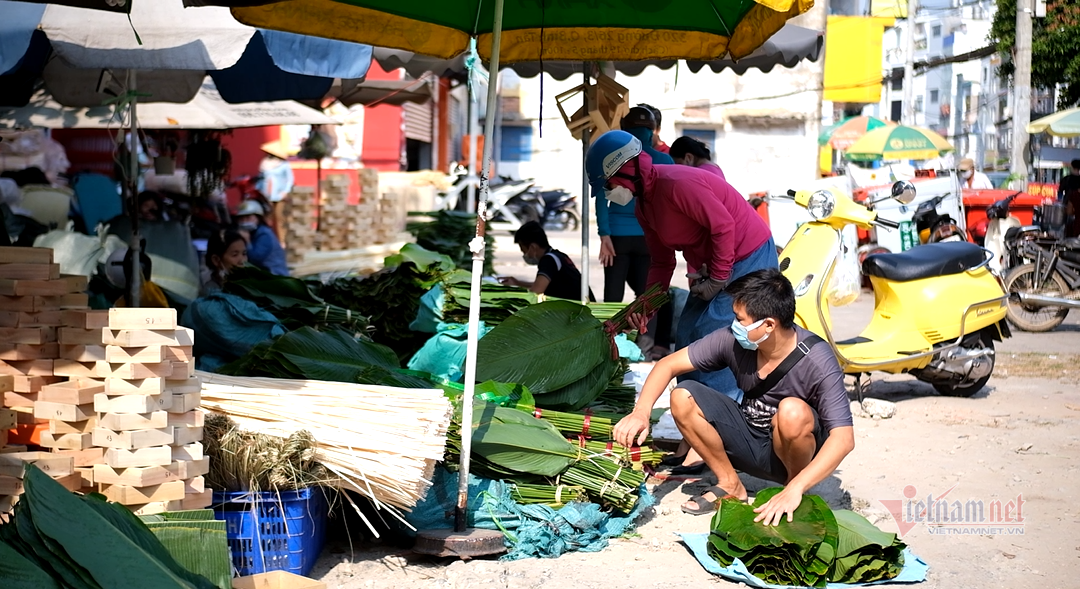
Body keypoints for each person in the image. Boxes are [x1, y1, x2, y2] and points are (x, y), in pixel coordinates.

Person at [612, 269, 855, 519]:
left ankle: (792, 491)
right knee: (682, 396)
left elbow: (844, 438)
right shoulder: (733, 339)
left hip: (792, 454)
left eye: (741, 319)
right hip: (747, 442)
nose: (734, 326)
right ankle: (730, 483)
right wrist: (641, 413)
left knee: (792, 411)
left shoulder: (817, 358)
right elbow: (668, 365)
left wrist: (796, 487)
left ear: (769, 325)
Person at [586, 129, 778, 395]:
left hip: (749, 256)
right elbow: (662, 262)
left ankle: (720, 414)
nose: (609, 193)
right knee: (688, 331)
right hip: (715, 265)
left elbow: (723, 227)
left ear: (626, 171)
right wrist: (646, 306)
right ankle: (691, 407)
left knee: (716, 335)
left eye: (608, 185)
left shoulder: (676, 184)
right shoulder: (644, 208)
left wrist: (719, 278)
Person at [596, 106, 674, 359]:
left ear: (625, 132)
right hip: (649, 238)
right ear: (652, 132)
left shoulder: (613, 158)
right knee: (647, 296)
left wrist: (604, 234)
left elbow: (599, 196)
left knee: (613, 296)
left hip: (617, 235)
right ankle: (643, 348)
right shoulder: (663, 160)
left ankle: (610, 346)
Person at [499, 221, 594, 301]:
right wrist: (517, 283)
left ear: (533, 247)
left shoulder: (549, 261)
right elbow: (541, 285)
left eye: (523, 250)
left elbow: (535, 293)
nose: (525, 255)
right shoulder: (557, 256)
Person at [235, 200, 289, 276]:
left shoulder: (264, 234)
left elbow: (255, 259)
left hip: (275, 277)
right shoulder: (252, 233)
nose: (244, 221)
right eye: (241, 219)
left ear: (258, 218)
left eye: (248, 217)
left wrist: (247, 241)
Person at [202, 230, 248, 295]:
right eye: (235, 255)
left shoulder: (250, 287)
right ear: (216, 260)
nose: (242, 261)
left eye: (244, 254)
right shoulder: (210, 292)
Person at [1061, 160, 1080, 238]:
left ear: (1072, 167)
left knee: (1068, 226)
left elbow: (1060, 192)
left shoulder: (1066, 179)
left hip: (1068, 206)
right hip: (1076, 210)